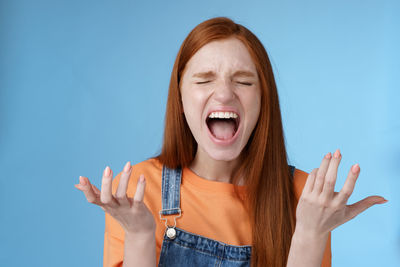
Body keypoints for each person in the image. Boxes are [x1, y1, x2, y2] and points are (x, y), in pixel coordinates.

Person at [74, 17, 387, 267]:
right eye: (204, 79)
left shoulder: (306, 198)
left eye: (243, 81)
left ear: (263, 101)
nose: (224, 93)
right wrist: (140, 235)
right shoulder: (138, 192)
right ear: (180, 99)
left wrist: (309, 233)